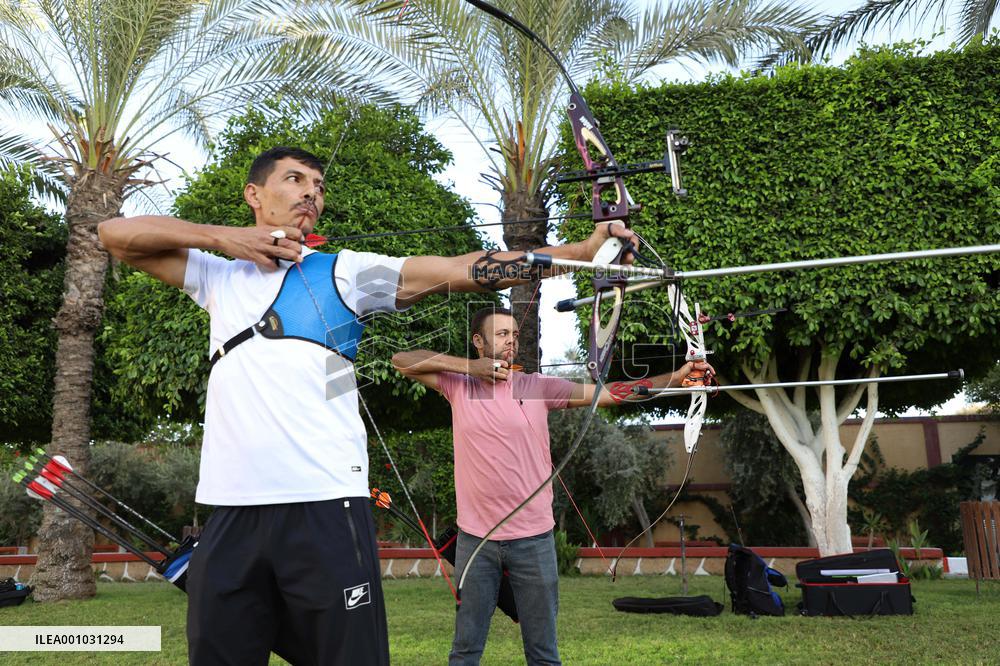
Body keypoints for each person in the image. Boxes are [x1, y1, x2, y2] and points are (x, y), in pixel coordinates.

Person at [97, 146, 638, 666]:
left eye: (319, 186)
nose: (312, 193)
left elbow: (460, 268)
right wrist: (225, 239)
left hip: (325, 504)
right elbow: (113, 235)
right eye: (295, 180)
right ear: (254, 194)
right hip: (231, 509)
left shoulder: (344, 273)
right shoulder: (218, 276)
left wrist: (577, 255)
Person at [391, 307, 714, 666]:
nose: (511, 341)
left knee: (543, 653)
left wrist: (676, 378)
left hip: (533, 540)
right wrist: (471, 367)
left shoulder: (537, 387)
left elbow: (610, 393)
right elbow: (401, 359)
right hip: (476, 541)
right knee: (465, 650)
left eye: (514, 334)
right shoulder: (459, 386)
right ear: (478, 342)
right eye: (500, 334)